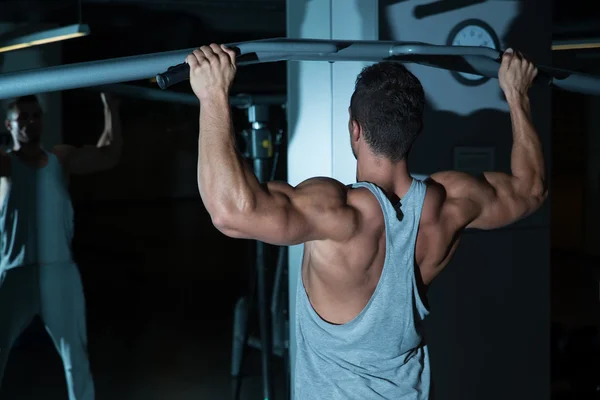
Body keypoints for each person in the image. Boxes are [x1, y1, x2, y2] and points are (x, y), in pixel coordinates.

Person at [186, 44, 546, 399]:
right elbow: (530, 190)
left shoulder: (337, 214)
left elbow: (229, 211)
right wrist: (517, 94)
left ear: (355, 130)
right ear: (414, 131)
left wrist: (213, 93)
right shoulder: (450, 204)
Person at [0, 93, 121, 400]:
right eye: (22, 117)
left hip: (60, 274)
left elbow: (108, 154)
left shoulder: (60, 158)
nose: (30, 122)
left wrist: (110, 105)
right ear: (8, 125)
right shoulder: (4, 164)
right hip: (16, 275)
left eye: (35, 115)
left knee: (76, 363)